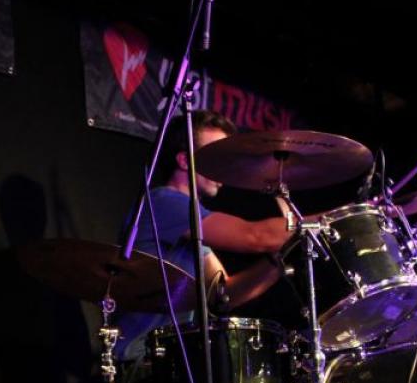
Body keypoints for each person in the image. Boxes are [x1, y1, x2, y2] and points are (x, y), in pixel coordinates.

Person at [117, 109, 295, 362]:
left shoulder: (192, 227)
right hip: (138, 359)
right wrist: (325, 222)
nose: (223, 169)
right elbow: (255, 236)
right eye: (214, 158)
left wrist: (278, 262)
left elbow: (224, 295)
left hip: (165, 359)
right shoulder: (164, 202)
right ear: (183, 161)